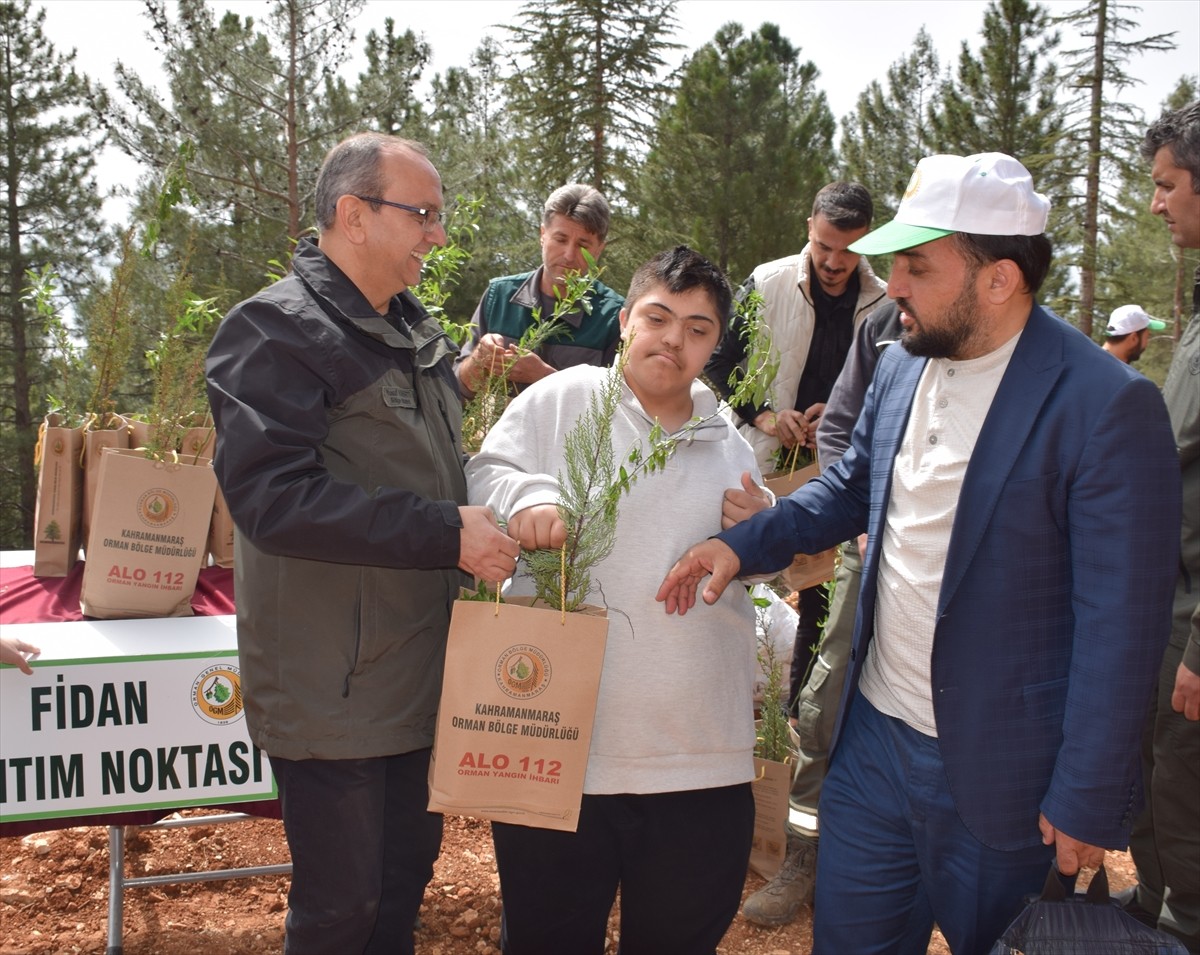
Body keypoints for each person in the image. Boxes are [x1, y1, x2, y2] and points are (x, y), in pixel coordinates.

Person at [657, 152, 1182, 955]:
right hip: (873, 745)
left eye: (916, 266)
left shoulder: (1105, 406)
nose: (893, 285)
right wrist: (740, 544)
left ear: (998, 280)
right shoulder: (902, 362)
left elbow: (1122, 624)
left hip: (1007, 775)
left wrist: (1087, 795)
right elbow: (849, 489)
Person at [205, 132, 519, 955]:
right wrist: (445, 531)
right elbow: (273, 498)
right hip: (332, 686)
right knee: (341, 906)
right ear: (352, 215)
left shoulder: (413, 333)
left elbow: (432, 471)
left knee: (401, 881)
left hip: (416, 672)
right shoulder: (275, 332)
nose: (438, 235)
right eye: (423, 215)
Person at [467, 246, 764, 955]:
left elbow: (772, 548)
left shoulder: (730, 442)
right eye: (658, 317)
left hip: (700, 762)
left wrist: (761, 530)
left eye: (697, 328)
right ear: (626, 319)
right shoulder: (561, 398)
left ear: (715, 343)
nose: (674, 339)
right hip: (561, 754)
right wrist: (528, 495)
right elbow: (486, 471)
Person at [735, 300, 903, 928]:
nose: (899, 285)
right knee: (824, 702)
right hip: (869, 553)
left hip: (960, 575)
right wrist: (853, 511)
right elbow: (839, 430)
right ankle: (802, 858)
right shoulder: (884, 331)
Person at [706, 181, 889, 720]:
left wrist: (835, 413)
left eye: (849, 249)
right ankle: (718, 704)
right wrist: (765, 414)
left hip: (831, 469)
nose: (834, 262)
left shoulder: (882, 304)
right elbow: (718, 360)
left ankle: (795, 722)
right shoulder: (767, 281)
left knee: (820, 596)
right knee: (730, 569)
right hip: (752, 459)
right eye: (824, 246)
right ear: (809, 227)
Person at [1121, 99, 1200, 954]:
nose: (1157, 203)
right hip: (1168, 599)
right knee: (1157, 770)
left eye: (1167, 185)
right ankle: (1154, 900)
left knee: (1184, 781)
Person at [455, 183, 625, 398]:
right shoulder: (498, 297)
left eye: (583, 245)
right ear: (543, 235)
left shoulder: (614, 317)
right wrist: (479, 359)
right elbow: (455, 392)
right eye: (560, 239)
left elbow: (615, 409)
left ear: (599, 249)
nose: (569, 255)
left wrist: (544, 376)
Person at [1102, 303, 1166, 364]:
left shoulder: (1094, 363)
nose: (1147, 343)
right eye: (1147, 337)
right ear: (1134, 338)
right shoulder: (1120, 374)